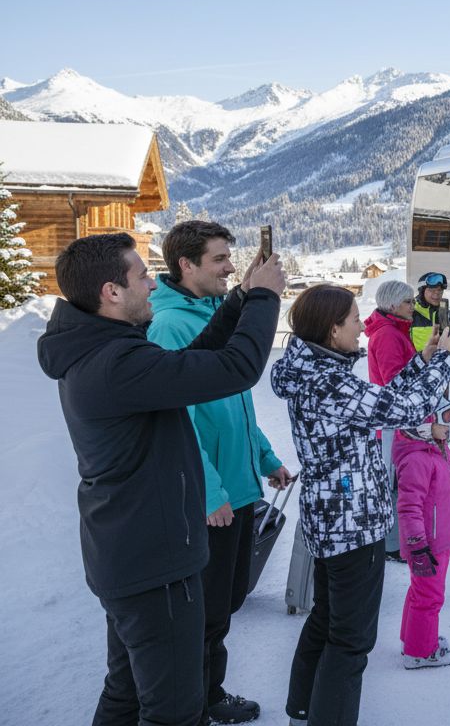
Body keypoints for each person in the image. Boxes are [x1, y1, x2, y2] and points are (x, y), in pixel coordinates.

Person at [36, 232, 284, 726]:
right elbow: (235, 367)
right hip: (155, 562)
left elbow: (194, 362)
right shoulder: (116, 365)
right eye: (142, 275)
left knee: (127, 692)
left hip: (129, 553)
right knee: (174, 709)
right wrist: (264, 298)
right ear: (111, 292)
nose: (153, 285)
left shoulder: (104, 351)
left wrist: (238, 300)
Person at [270, 285, 450, 726]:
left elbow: (382, 401)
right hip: (352, 522)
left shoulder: (315, 369)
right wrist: (445, 362)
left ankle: (304, 711)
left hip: (334, 518)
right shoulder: (327, 381)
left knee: (327, 619)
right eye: (354, 319)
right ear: (333, 329)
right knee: (350, 639)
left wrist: (423, 362)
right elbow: (402, 409)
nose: (361, 327)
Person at [147, 220, 293, 725]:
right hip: (213, 499)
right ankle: (197, 704)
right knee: (204, 615)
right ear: (186, 265)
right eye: (219, 260)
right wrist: (209, 493)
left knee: (225, 605)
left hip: (239, 485)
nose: (231, 267)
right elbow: (178, 422)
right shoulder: (169, 326)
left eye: (231, 258)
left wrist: (265, 458)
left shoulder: (214, 312)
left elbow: (235, 406)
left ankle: (209, 692)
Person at [393, 401, 450, 669]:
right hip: (427, 543)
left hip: (439, 538)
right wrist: (417, 546)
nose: (449, 428)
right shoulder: (416, 459)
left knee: (421, 591)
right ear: (424, 426)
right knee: (430, 596)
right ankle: (420, 652)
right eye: (444, 423)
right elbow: (408, 507)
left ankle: (414, 638)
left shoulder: (440, 451)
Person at [363, 278, 422, 561]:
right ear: (392, 305)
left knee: (395, 482)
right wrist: (426, 363)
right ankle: (390, 545)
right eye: (408, 301)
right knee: (392, 483)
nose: (414, 306)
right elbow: (394, 383)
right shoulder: (387, 334)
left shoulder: (394, 330)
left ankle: (393, 543)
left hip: (394, 423)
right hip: (391, 425)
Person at [408, 271, 450, 355]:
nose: (436, 295)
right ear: (422, 291)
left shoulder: (444, 313)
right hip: (418, 365)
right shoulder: (410, 313)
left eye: (439, 291)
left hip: (442, 365)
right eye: (432, 290)